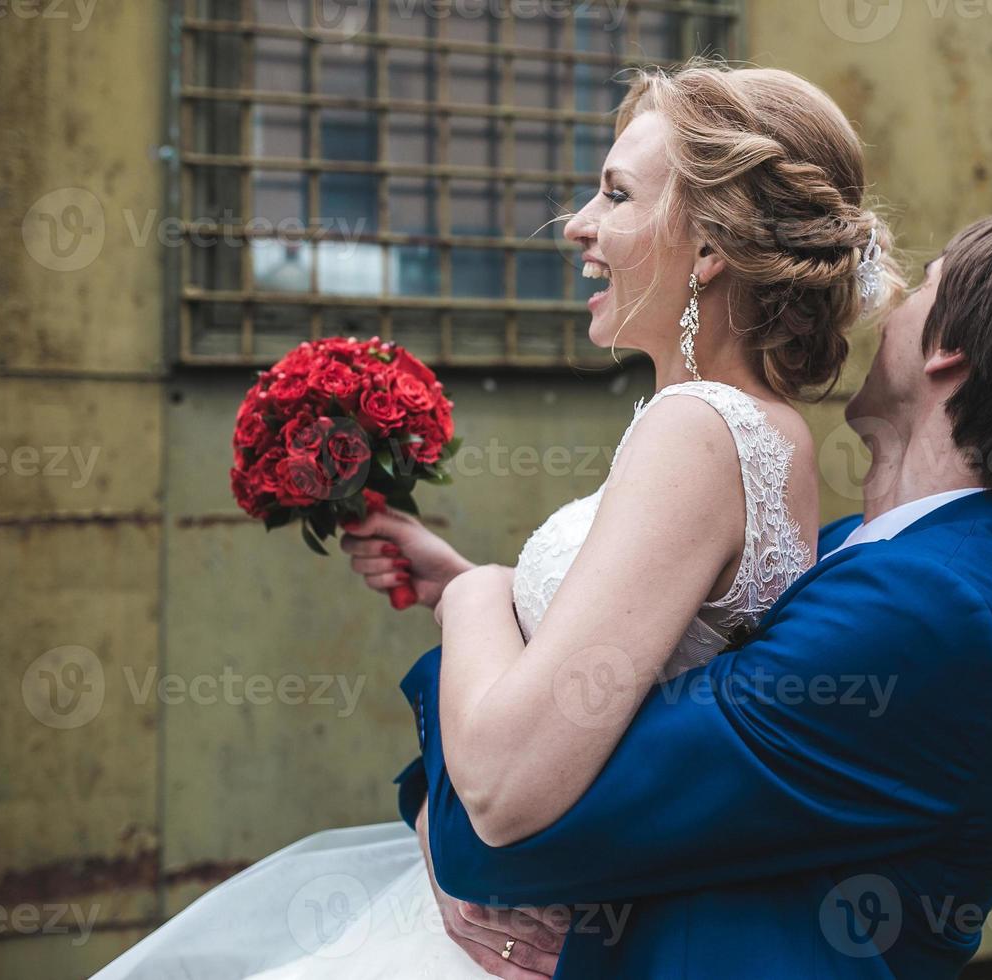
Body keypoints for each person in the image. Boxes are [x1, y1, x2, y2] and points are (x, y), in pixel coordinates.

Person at [91, 60, 899, 980]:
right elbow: (636, 674)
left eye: (615, 194)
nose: (579, 226)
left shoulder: (698, 430)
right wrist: (452, 573)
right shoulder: (767, 433)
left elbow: (508, 787)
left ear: (710, 247)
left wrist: (477, 593)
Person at [384, 186, 992, 978]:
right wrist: (506, 598)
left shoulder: (932, 615)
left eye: (924, 288)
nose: (888, 306)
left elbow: (515, 826)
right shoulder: (878, 558)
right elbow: (599, 729)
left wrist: (475, 601)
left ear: (949, 351)